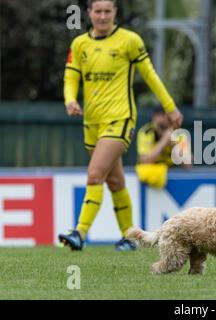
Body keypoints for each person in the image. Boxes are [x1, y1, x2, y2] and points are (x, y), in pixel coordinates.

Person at [59, 0, 183, 251]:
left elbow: (150, 74)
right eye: (98, 11)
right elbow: (71, 76)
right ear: (89, 13)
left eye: (108, 11)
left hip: (120, 118)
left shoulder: (129, 40)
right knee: (114, 182)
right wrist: (70, 99)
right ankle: (130, 237)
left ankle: (79, 233)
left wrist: (170, 106)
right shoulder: (80, 43)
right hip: (91, 122)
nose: (103, 16)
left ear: (115, 12)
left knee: (95, 174)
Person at [135, 106, 192, 189]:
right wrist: (164, 141)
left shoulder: (179, 134)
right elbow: (145, 161)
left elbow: (188, 165)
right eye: (161, 115)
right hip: (150, 179)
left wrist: (178, 150)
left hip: (174, 178)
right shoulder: (146, 132)